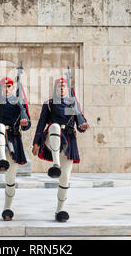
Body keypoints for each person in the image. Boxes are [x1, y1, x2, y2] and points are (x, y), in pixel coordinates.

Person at [32, 78, 89, 222]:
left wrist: (82, 126)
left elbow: (78, 121)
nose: (62, 89)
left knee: (65, 179)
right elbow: (41, 124)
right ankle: (55, 165)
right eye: (59, 86)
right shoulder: (49, 105)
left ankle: (60, 210)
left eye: (64, 86)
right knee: (55, 126)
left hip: (69, 141)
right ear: (55, 89)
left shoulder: (72, 104)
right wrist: (36, 143)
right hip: (52, 139)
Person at [0, 77, 31, 221]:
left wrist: (25, 123)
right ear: (1, 88)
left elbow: (28, 125)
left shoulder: (19, 104)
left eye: (9, 86)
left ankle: (7, 208)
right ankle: (1, 159)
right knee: (0, 126)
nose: (7, 88)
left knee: (10, 180)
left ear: (13, 87)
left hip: (14, 139)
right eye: (4, 86)